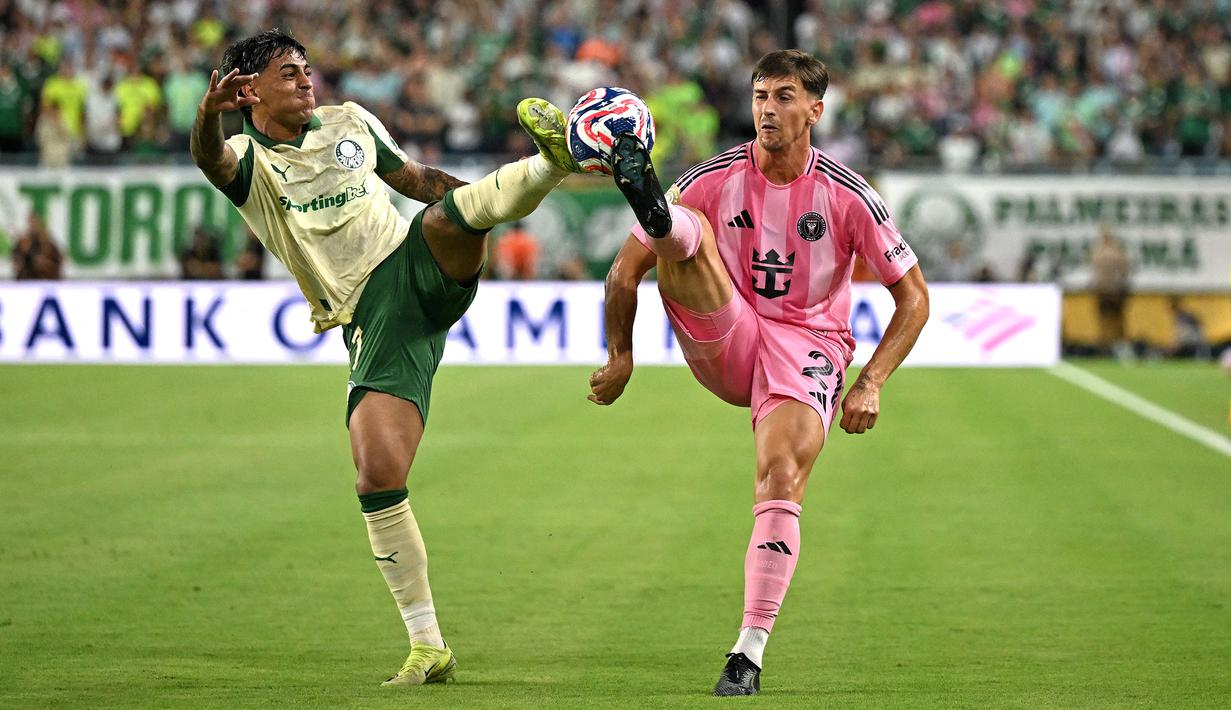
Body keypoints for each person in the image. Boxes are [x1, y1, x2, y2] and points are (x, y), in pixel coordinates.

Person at [190, 29, 581, 688]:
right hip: (373, 320)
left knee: (444, 219)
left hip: (413, 267)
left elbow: (419, 181)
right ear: (247, 91)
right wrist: (208, 115)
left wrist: (492, 206)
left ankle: (549, 164)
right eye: (289, 73)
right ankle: (428, 647)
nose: (307, 80)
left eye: (306, 69)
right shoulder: (244, 155)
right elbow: (210, 162)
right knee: (377, 476)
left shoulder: (350, 121)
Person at [590, 49, 930, 696]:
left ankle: (747, 652)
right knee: (683, 228)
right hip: (730, 328)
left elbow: (913, 298)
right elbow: (620, 273)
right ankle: (658, 214)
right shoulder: (714, 175)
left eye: (781, 97)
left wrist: (871, 381)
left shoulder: (849, 195)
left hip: (810, 345)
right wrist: (620, 355)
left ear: (814, 109)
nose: (766, 109)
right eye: (758, 96)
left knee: (780, 474)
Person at [1090, 227, 1132, 361]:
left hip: (1102, 291)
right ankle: (1121, 347)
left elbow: (1095, 275)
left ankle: (1105, 347)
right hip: (1116, 291)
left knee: (1103, 321)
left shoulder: (1097, 254)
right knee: (1119, 321)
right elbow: (1126, 271)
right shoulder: (1118, 253)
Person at [12, 211, 64, 279]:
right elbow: (16, 260)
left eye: (35, 222)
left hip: (45, 280)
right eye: (31, 222)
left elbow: (58, 261)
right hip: (26, 281)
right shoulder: (23, 242)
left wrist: (46, 264)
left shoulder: (48, 243)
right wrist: (19, 262)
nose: (32, 225)